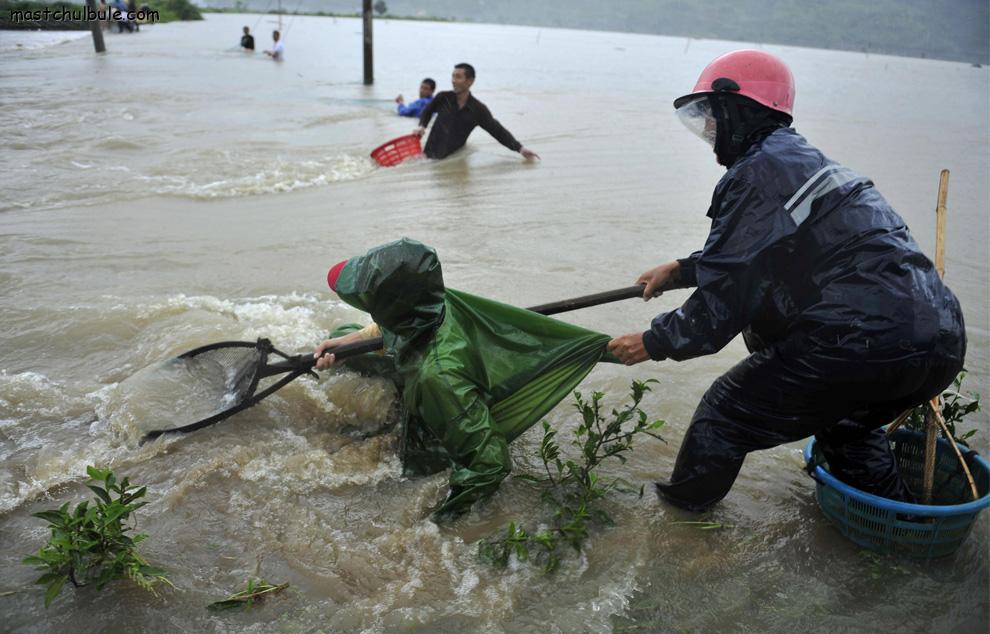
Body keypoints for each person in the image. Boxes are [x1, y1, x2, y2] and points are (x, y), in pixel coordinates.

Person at [607, 49, 966, 512]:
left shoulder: (756, 171)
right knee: (849, 428)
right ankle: (901, 532)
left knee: (724, 415)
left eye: (713, 116)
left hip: (860, 340)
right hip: (937, 341)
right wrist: (681, 269)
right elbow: (768, 254)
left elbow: (727, 299)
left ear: (738, 109)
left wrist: (654, 341)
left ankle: (679, 529)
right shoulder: (798, 160)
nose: (710, 130)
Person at [313, 239, 614, 522]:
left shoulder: (439, 377)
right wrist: (346, 345)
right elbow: (384, 327)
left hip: (441, 417)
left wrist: (441, 519)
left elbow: (490, 464)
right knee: (339, 336)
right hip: (439, 364)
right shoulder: (433, 299)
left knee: (407, 463)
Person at [414, 63, 539, 160]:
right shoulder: (443, 97)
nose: (453, 80)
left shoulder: (477, 109)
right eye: (452, 76)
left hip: (452, 159)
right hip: (428, 157)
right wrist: (422, 126)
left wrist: (520, 149)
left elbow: (497, 131)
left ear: (470, 81)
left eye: (458, 77)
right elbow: (427, 111)